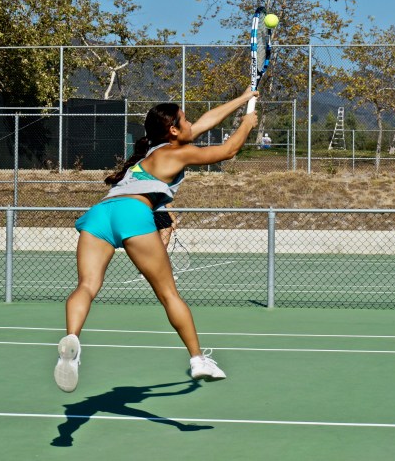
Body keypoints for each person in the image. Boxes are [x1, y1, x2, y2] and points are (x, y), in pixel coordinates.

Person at [55, 88, 258, 393]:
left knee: (86, 286)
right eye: (185, 121)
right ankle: (197, 359)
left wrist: (243, 100)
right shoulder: (176, 152)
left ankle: (72, 342)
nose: (193, 125)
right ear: (174, 130)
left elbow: (206, 121)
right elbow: (227, 151)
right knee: (168, 294)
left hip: (100, 213)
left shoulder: (153, 150)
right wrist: (247, 124)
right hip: (132, 212)